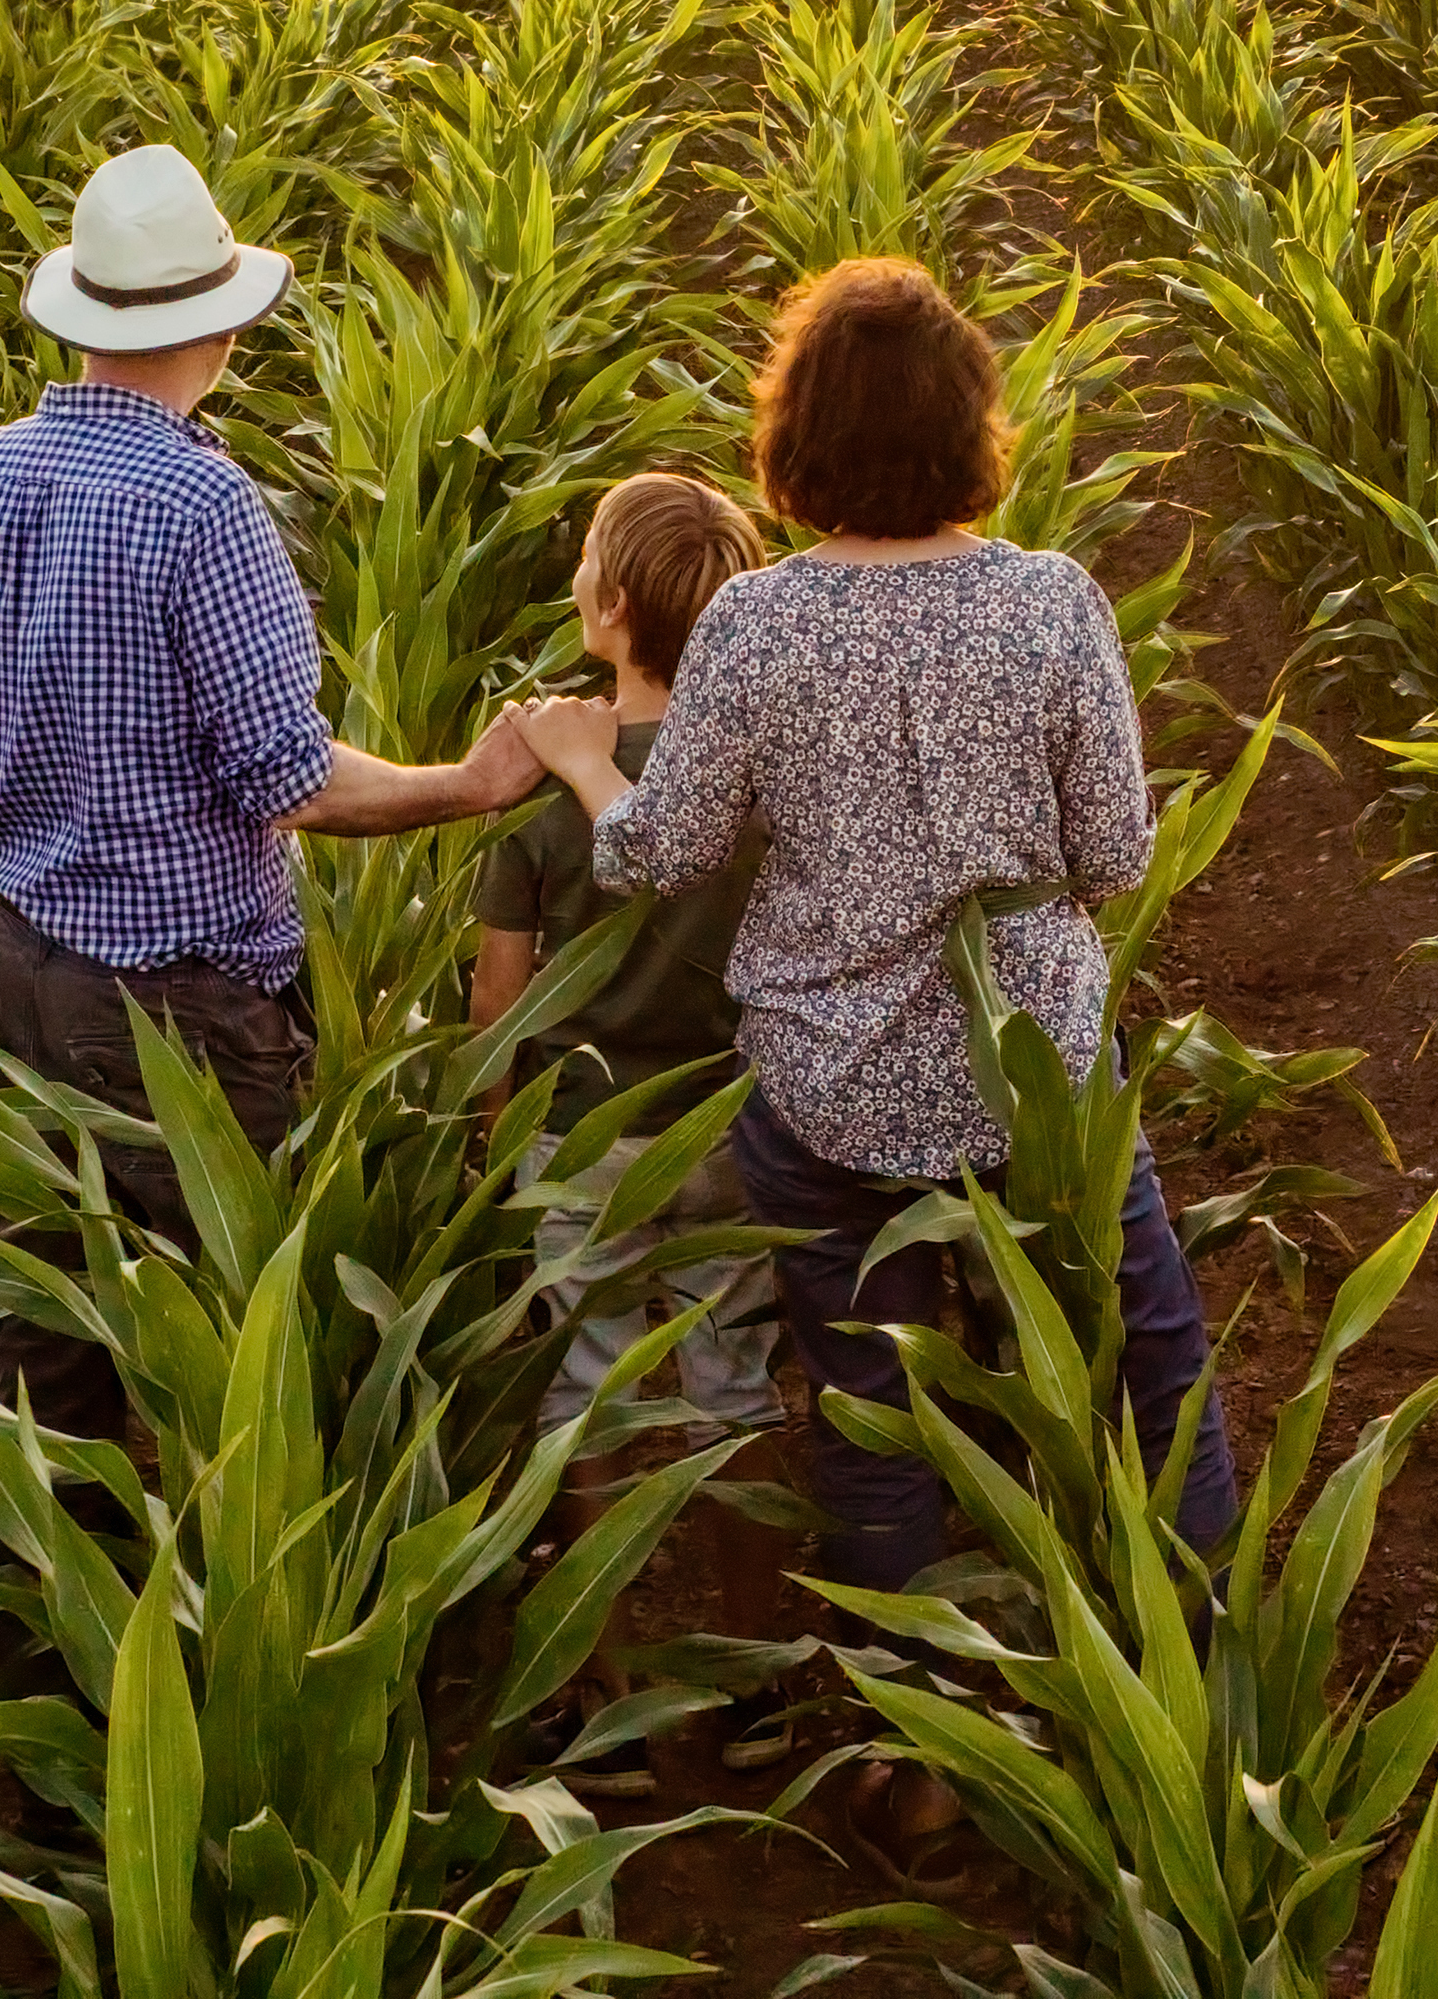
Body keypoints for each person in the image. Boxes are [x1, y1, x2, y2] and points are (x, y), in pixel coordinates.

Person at [515, 258, 1242, 1618]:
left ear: (795, 439)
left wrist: (581, 765)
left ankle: (910, 1719)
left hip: (828, 1089)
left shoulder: (756, 620)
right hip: (1031, 1071)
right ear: (970, 425)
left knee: (867, 1397)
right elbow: (1116, 857)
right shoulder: (1051, 602)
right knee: (1148, 1353)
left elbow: (658, 855)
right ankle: (1191, 1664)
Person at [0, 143, 541, 1307]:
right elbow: (286, 780)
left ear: (83, 320)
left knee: (47, 1333)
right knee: (238, 1340)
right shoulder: (203, 506)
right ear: (225, 329)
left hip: (16, 974)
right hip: (175, 1015)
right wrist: (472, 781)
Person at [472, 470, 782, 1439]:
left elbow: (499, 996)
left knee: (580, 1394)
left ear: (610, 606)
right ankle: (760, 1592)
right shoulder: (767, 769)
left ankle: (592, 1588)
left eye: (583, 558)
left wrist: (494, 1128)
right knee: (733, 1388)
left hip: (582, 1133)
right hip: (733, 1124)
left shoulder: (538, 783)